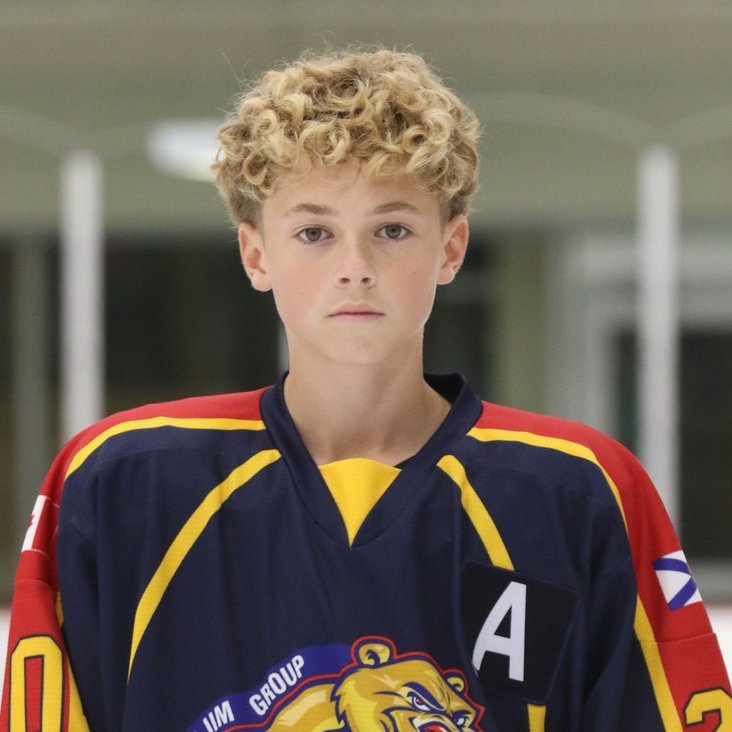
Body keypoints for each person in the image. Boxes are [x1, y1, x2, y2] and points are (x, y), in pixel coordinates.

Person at [1, 47, 729, 732]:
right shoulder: (122, 484)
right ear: (256, 254)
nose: (355, 266)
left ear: (451, 248)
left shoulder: (576, 494)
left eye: (392, 230)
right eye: (314, 233)